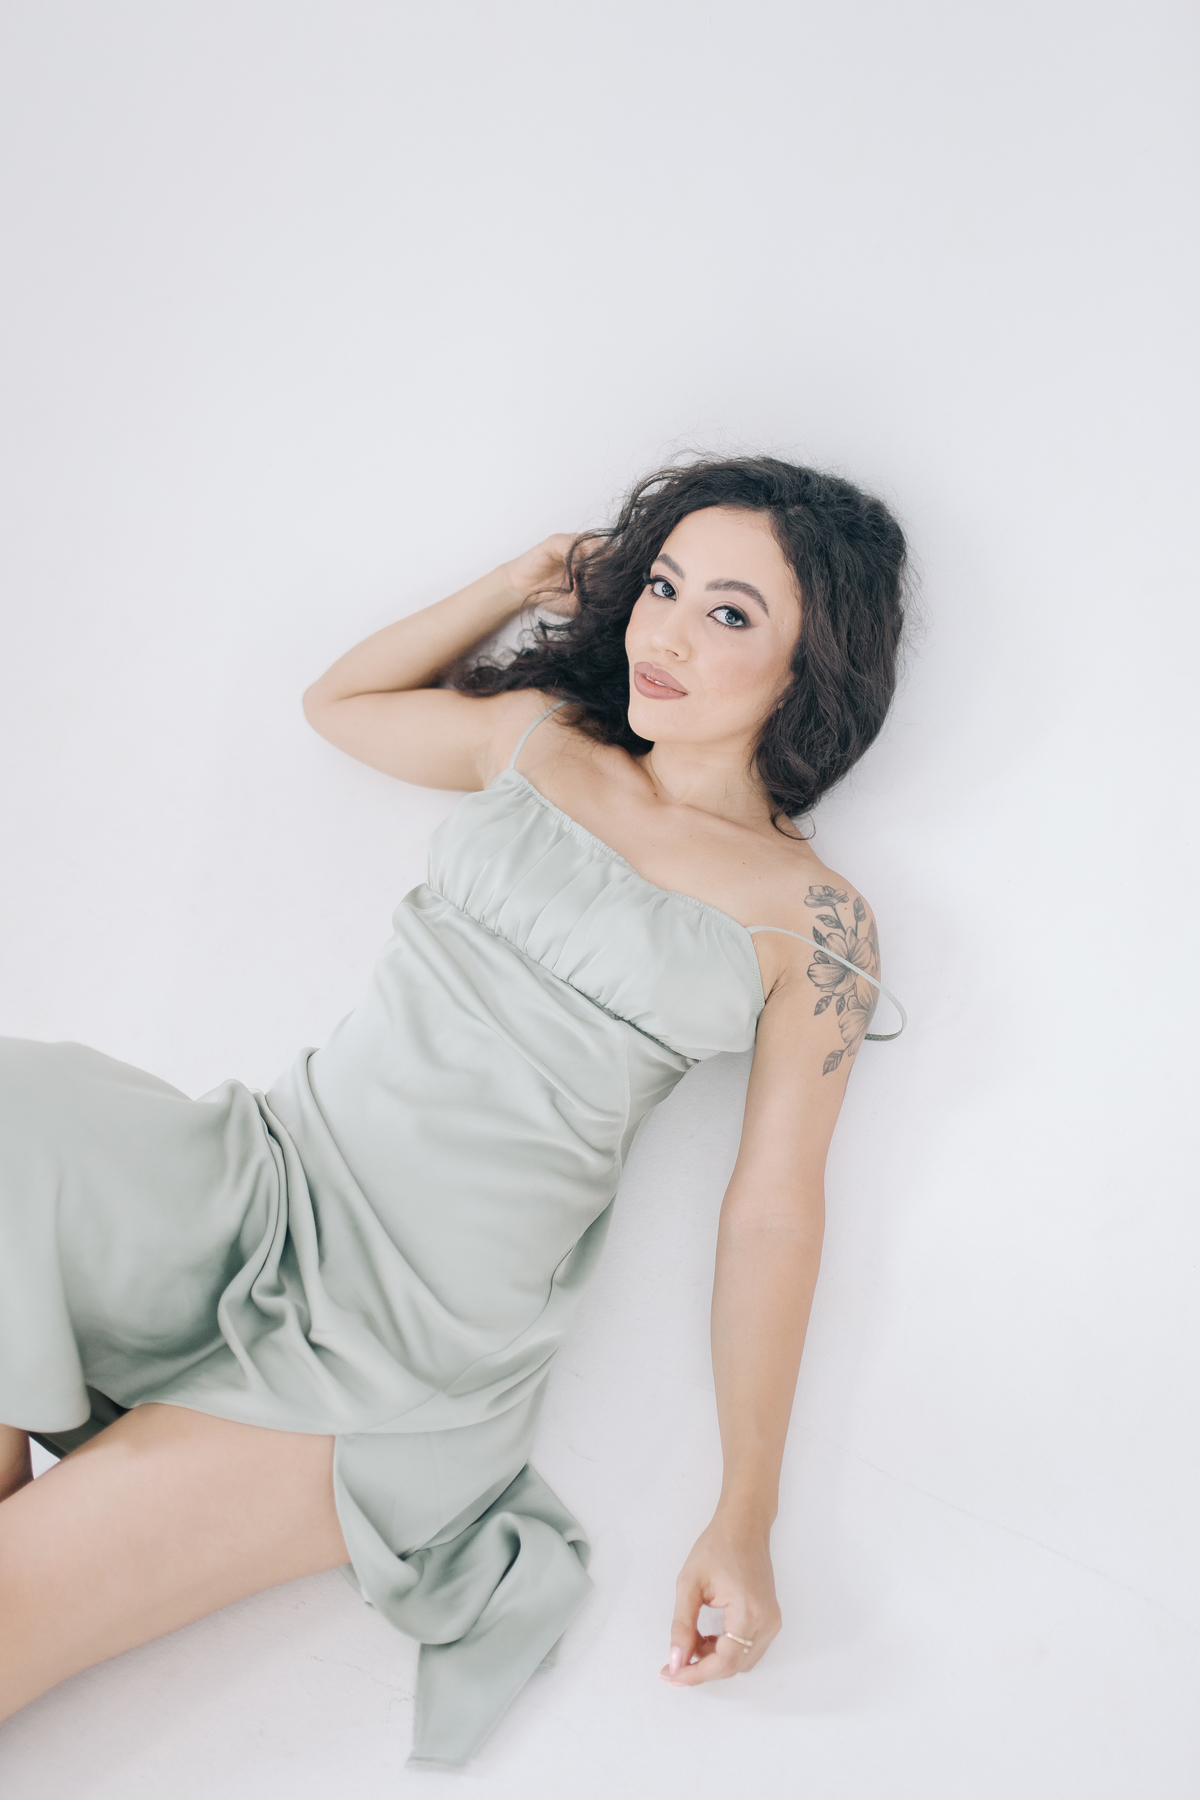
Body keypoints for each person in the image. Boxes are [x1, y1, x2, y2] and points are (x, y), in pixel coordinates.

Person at [0, 453, 909, 1768]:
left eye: (729, 613)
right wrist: (520, 578)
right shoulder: (540, 737)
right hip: (263, 1182)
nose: (664, 633)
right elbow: (339, 705)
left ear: (809, 665)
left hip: (405, 1341)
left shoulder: (812, 922)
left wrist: (745, 1515)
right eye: (661, 586)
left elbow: (773, 1215)